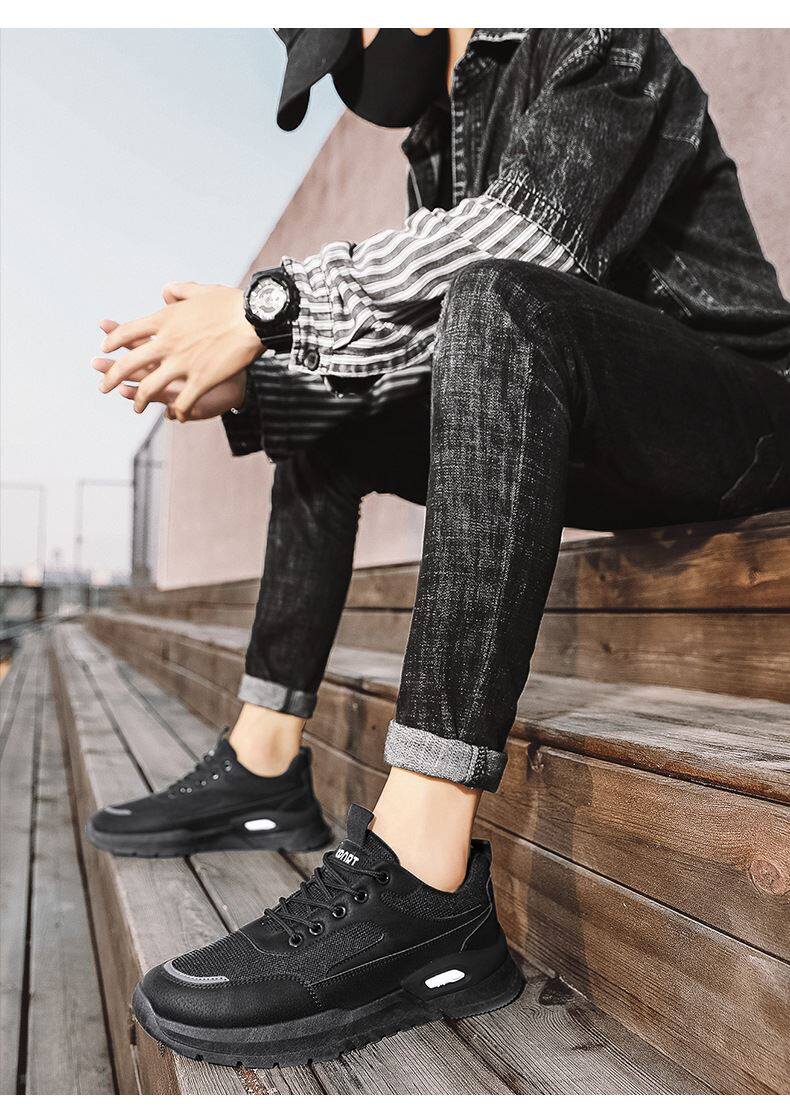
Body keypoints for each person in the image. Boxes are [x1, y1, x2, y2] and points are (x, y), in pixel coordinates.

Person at [88, 29, 790, 1067]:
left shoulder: (595, 37)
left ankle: (425, 875)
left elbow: (528, 243)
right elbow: (424, 338)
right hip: (604, 436)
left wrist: (268, 307)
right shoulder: (439, 133)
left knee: (499, 296)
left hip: (740, 417)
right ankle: (264, 761)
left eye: (345, 52)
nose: (348, 86)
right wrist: (261, 383)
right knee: (328, 417)